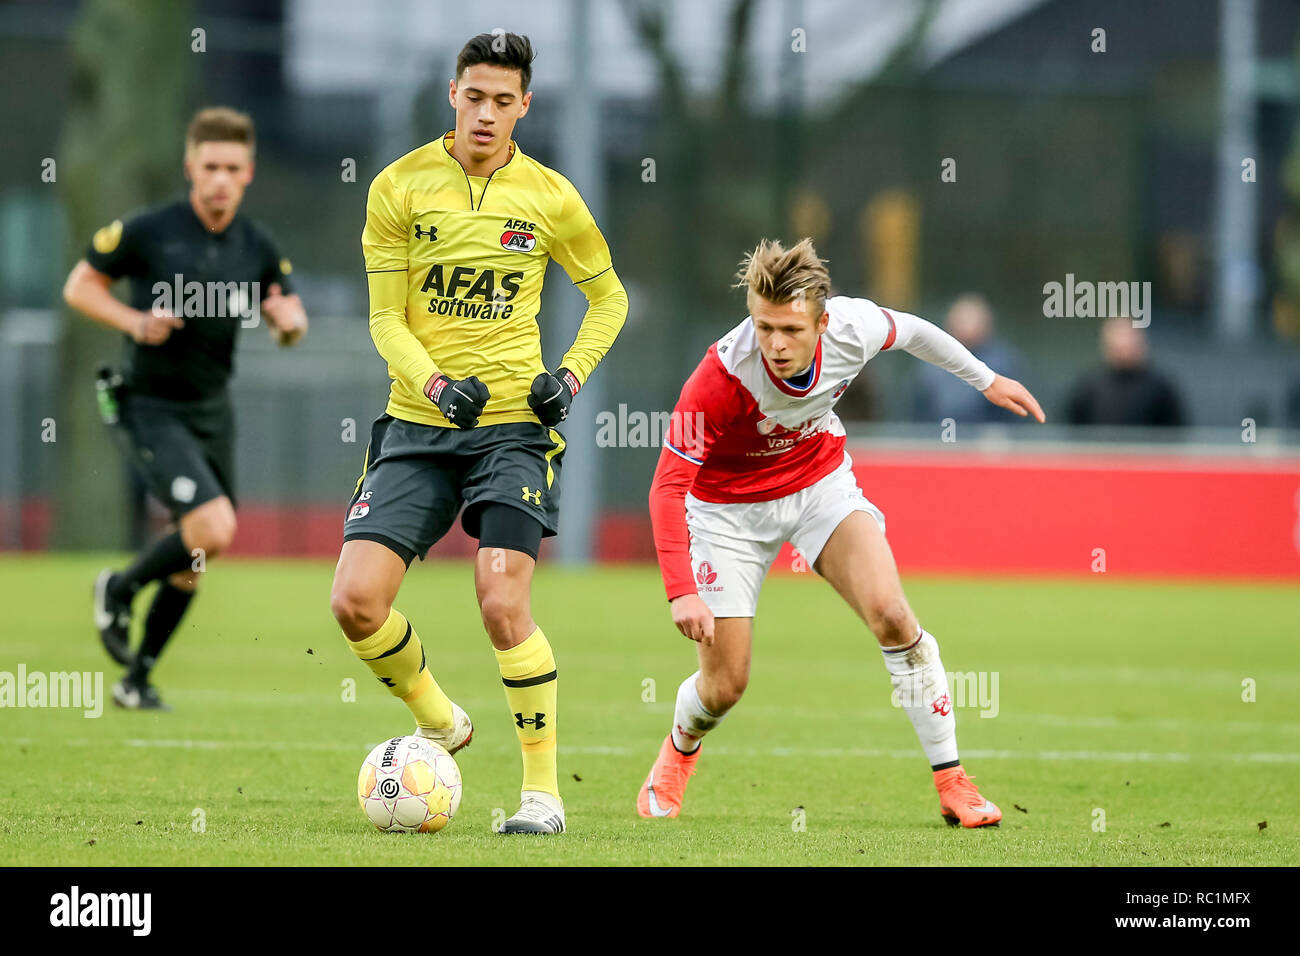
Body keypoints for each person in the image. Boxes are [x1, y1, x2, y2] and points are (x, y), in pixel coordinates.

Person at [329, 33, 627, 835]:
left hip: (513, 436)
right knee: (355, 603)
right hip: (418, 426)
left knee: (501, 598)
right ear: (451, 96)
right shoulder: (398, 187)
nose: (486, 114)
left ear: (525, 105)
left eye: (504, 100)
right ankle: (441, 723)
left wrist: (567, 377)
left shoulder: (553, 197)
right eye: (474, 97)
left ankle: (542, 797)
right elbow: (386, 319)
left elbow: (610, 301)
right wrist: (431, 383)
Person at [639, 238, 1044, 827]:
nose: (775, 343)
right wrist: (681, 590)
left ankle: (955, 784)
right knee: (726, 684)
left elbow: (915, 332)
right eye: (764, 326)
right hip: (726, 514)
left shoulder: (852, 326)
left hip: (817, 485)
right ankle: (677, 754)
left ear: (822, 322)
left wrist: (984, 380)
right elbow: (668, 485)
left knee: (894, 616)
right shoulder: (722, 375)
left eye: (790, 329)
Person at [65, 106, 308, 711]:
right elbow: (80, 285)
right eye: (210, 166)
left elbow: (292, 318)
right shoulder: (151, 230)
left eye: (232, 167)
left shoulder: (256, 246)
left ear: (248, 172)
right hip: (151, 404)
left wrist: (287, 325)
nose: (220, 178)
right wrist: (133, 320)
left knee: (198, 553)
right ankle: (117, 587)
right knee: (213, 526)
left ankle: (136, 679)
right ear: (190, 168)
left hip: (210, 409)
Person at [913, 293, 1023, 425]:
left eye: (973, 321)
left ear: (986, 325)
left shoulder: (1002, 364)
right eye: (962, 321)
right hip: (937, 440)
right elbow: (918, 415)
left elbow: (1013, 416)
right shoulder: (930, 365)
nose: (967, 328)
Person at [1065, 317, 1185, 428]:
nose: (1123, 344)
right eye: (1118, 337)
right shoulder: (1088, 387)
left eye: (1129, 337)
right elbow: (1074, 430)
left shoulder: (1160, 388)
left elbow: (1174, 433)